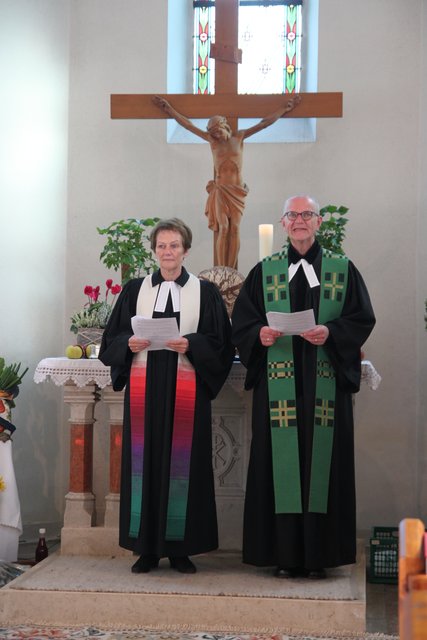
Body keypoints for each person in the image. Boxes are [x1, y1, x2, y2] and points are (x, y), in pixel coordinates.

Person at [231, 195, 376, 579]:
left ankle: (320, 557)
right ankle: (285, 555)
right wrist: (258, 334)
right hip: (280, 391)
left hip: (324, 386)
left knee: (322, 466)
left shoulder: (342, 270)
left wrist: (331, 331)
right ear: (283, 224)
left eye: (306, 214)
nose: (299, 221)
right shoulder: (265, 271)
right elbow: (242, 322)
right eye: (293, 215)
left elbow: (362, 317)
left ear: (319, 222)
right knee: (280, 466)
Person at [99, 217, 234, 574]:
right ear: (154, 251)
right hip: (146, 392)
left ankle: (180, 549)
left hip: (186, 391)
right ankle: (146, 549)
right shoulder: (134, 291)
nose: (167, 252)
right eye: (161, 246)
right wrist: (128, 344)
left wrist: (192, 344)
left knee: (184, 467)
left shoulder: (205, 293)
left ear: (186, 250)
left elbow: (221, 345)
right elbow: (110, 340)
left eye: (174, 245)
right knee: (145, 464)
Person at [152, 95, 301, 269]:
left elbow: (264, 123)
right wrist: (169, 109)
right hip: (220, 191)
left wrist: (285, 109)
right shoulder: (212, 142)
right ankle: (221, 268)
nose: (216, 135)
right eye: (213, 133)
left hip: (237, 191)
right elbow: (188, 125)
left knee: (235, 229)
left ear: (224, 126)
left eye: (217, 131)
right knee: (223, 228)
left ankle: (230, 269)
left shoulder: (240, 137)